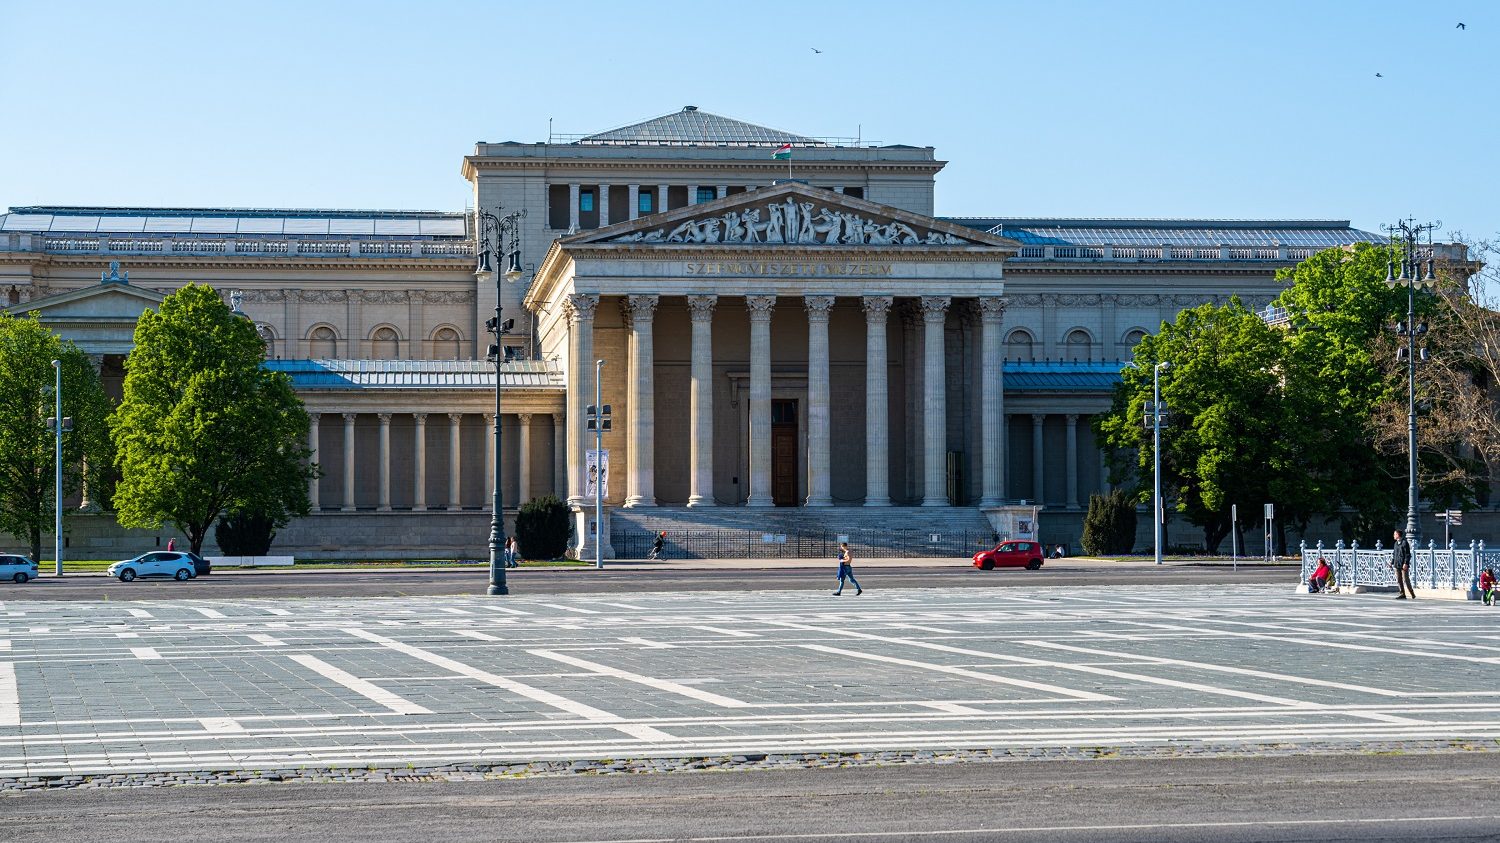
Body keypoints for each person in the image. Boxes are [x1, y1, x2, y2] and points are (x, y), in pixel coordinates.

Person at [1391, 529, 1416, 600]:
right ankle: (1402, 594)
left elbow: (1407, 554)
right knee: (1399, 580)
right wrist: (1391, 562)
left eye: (1395, 534)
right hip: (1397, 564)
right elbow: (1394, 554)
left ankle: (1412, 593)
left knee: (1406, 579)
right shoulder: (1396, 544)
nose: (1394, 536)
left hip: (1403, 565)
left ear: (1398, 535)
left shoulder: (1404, 543)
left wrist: (1406, 563)